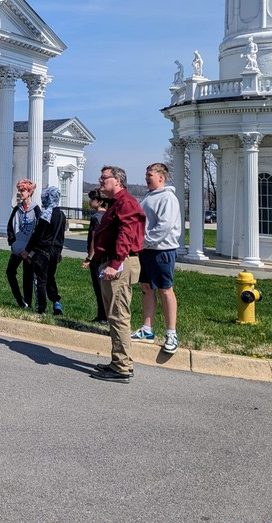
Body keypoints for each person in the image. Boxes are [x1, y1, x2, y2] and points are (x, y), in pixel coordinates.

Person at [89, 165, 146, 384]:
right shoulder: (117, 203)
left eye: (104, 178)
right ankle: (117, 361)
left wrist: (114, 263)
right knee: (114, 314)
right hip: (114, 262)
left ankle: (122, 367)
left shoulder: (126, 203)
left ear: (118, 180)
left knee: (119, 315)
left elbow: (126, 235)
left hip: (120, 264)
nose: (100, 181)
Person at [133, 163, 182, 355]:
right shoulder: (148, 197)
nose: (146, 178)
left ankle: (171, 333)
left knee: (165, 290)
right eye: (146, 174)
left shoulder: (168, 198)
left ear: (161, 177)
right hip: (146, 250)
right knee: (146, 288)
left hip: (162, 250)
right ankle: (147, 329)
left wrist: (144, 242)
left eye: (150, 175)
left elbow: (164, 226)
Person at [24, 186, 66, 315]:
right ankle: (56, 303)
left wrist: (28, 250)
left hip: (43, 250)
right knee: (50, 278)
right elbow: (61, 235)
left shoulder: (46, 213)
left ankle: (41, 308)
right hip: (56, 250)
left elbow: (38, 234)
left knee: (41, 280)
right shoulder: (61, 214)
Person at [5, 179, 39, 309]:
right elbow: (10, 226)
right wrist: (12, 242)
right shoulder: (16, 209)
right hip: (17, 247)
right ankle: (19, 299)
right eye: (19, 190)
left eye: (23, 190)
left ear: (30, 192)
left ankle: (28, 303)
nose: (20, 193)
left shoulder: (36, 209)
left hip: (29, 250)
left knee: (27, 276)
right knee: (10, 272)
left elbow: (38, 231)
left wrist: (31, 249)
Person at [80, 189, 109, 323]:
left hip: (97, 257)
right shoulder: (108, 215)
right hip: (107, 256)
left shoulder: (96, 217)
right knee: (106, 288)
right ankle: (107, 315)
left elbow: (94, 238)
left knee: (98, 288)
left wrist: (89, 258)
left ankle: (102, 316)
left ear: (100, 202)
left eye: (92, 199)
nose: (90, 201)